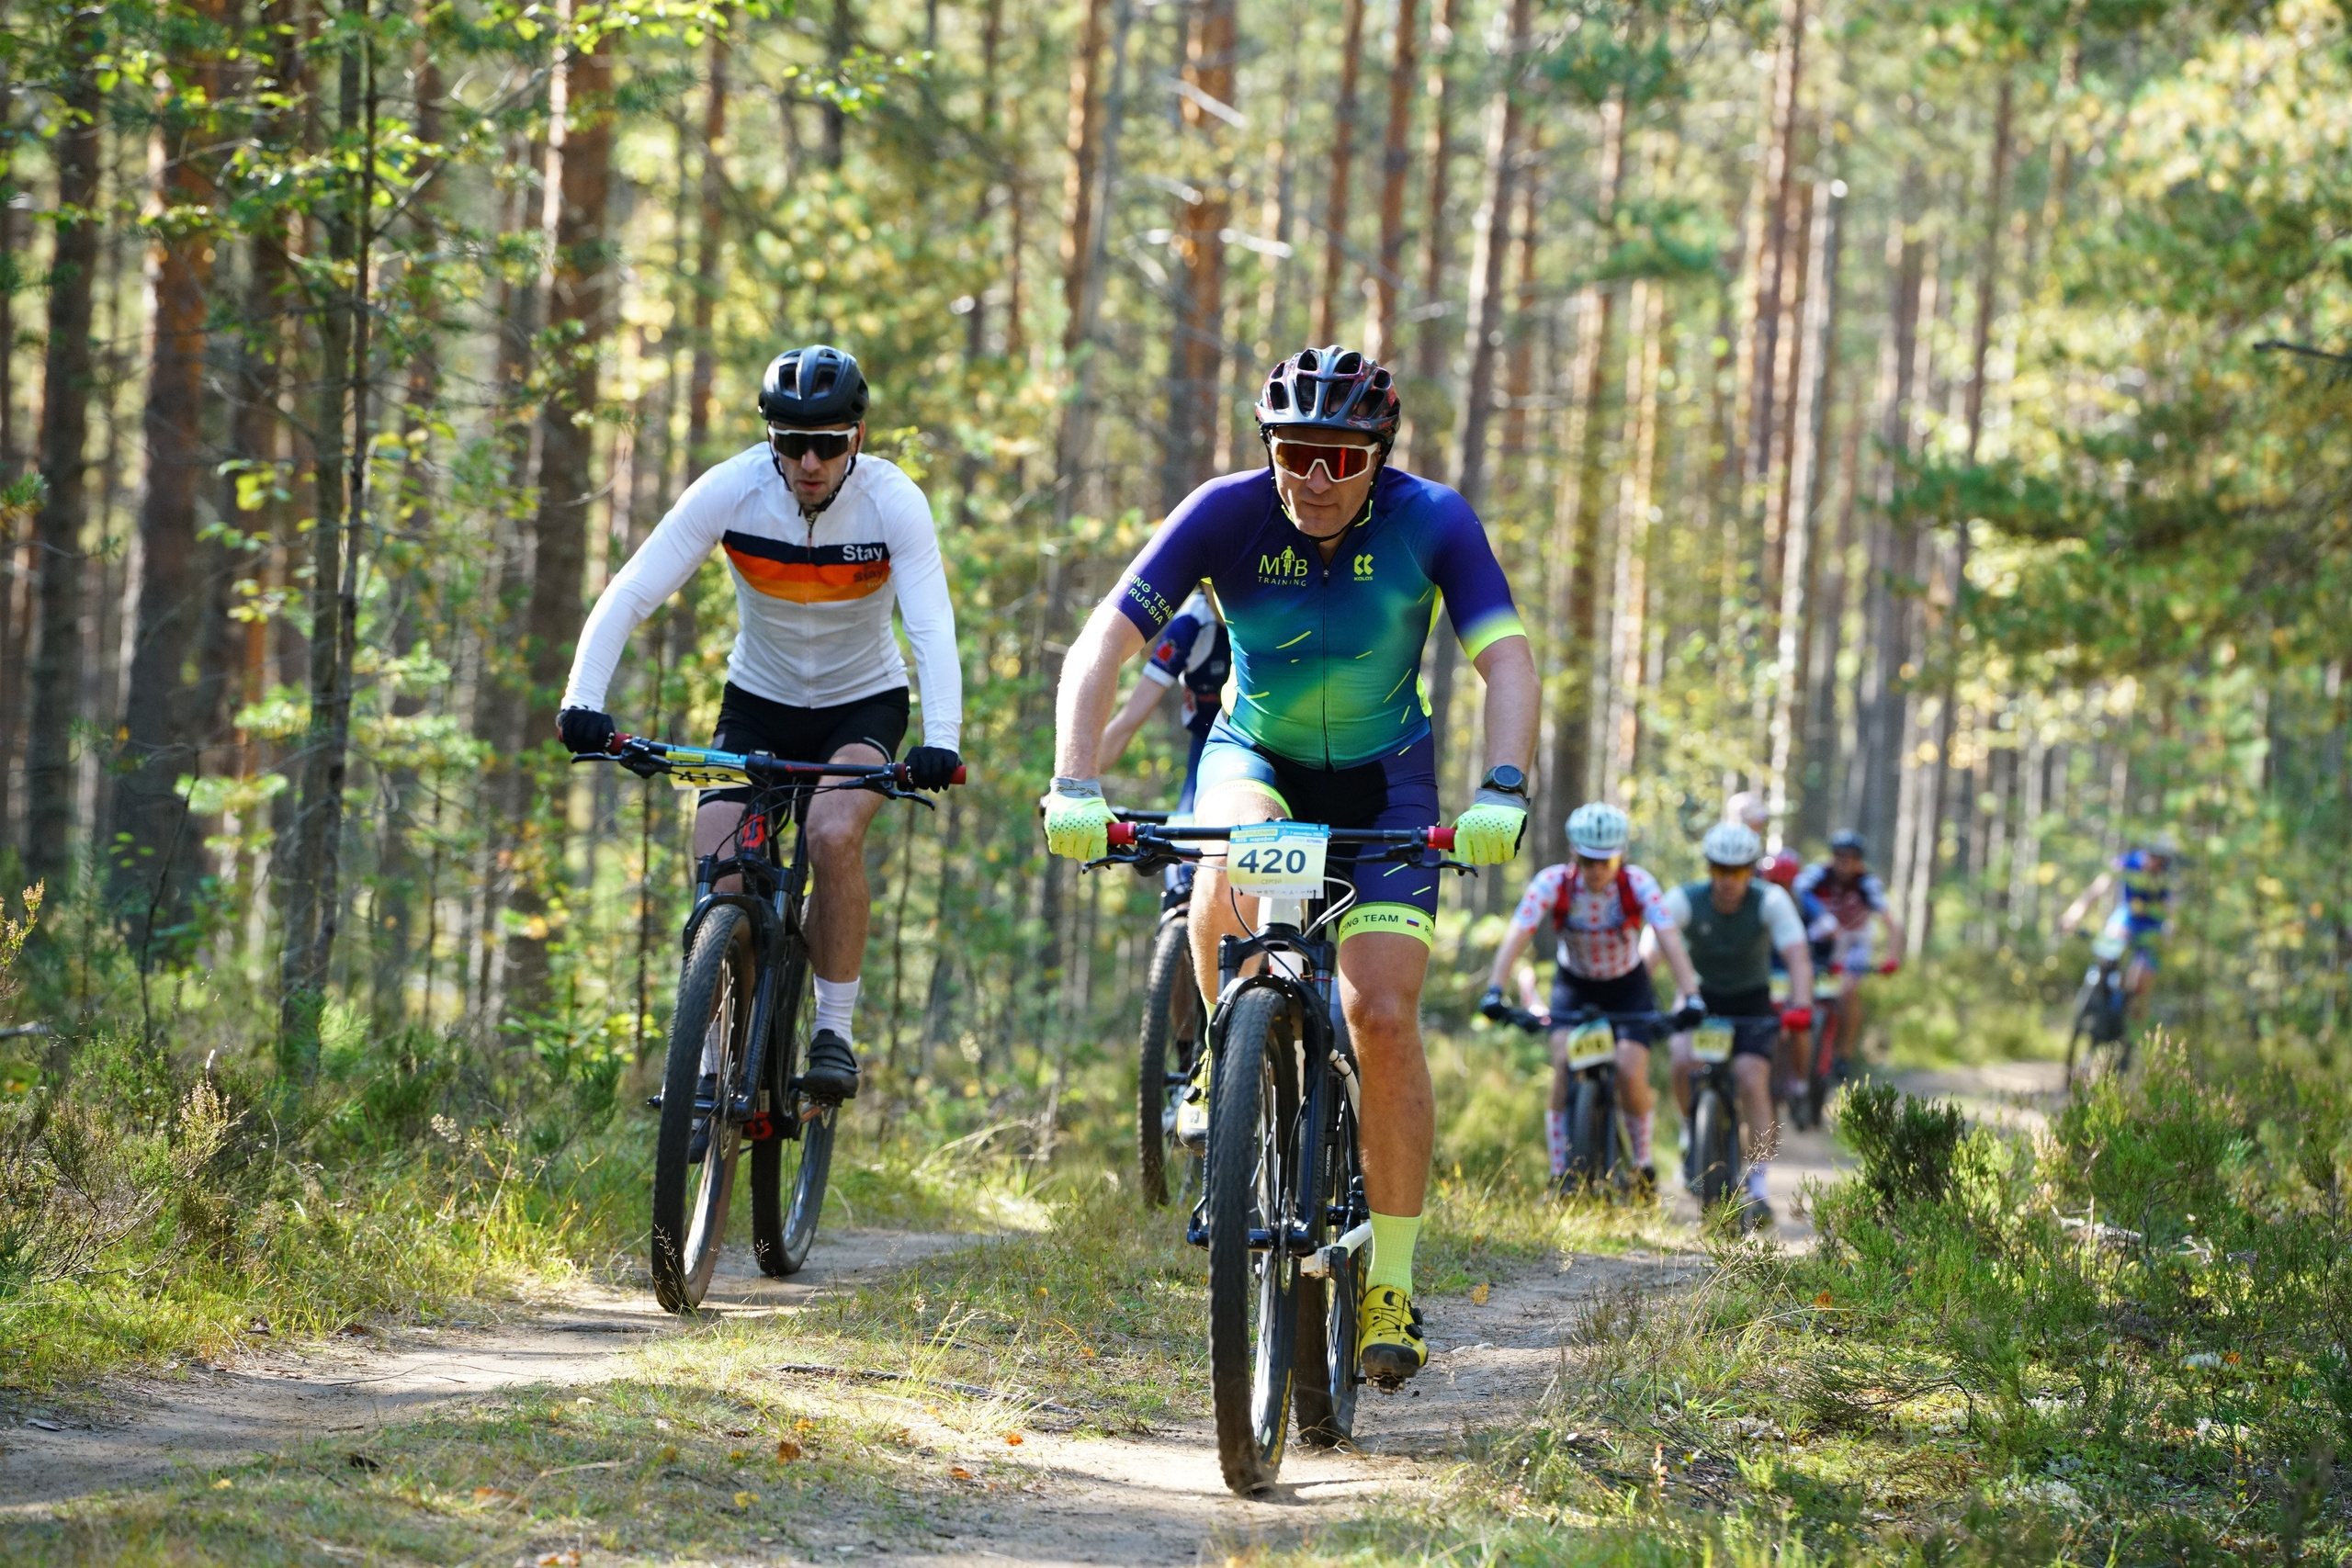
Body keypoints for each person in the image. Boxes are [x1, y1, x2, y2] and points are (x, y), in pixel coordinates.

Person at [1043, 344, 1540, 1390]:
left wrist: (1502, 787)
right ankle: (1235, 1079)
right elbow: (1104, 639)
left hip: (1383, 783)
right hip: (1254, 758)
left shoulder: (1433, 518)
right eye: (1293, 452)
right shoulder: (1223, 511)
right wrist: (1075, 781)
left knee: (1383, 1017)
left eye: (1340, 459)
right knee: (1221, 864)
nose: (1313, 478)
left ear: (1379, 457)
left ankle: (1393, 1279)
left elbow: (1505, 657)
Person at [555, 344, 963, 1110]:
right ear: (768, 438)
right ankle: (712, 1054)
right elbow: (632, 590)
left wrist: (942, 738)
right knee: (718, 867)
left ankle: (832, 1031)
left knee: (833, 834)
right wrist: (584, 700)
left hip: (862, 702)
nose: (810, 461)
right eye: (790, 442)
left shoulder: (893, 502)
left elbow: (932, 627)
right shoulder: (733, 490)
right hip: (758, 704)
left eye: (829, 443)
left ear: (859, 438)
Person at [1480, 801, 1702, 1195]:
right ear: (1573, 855)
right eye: (1587, 861)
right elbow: (1518, 933)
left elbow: (1669, 940)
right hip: (1575, 983)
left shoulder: (1638, 884)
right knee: (1564, 1062)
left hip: (1628, 985)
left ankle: (1642, 1165)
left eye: (1607, 862)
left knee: (1630, 1070)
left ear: (1622, 858)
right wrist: (1495, 989)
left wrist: (1691, 995)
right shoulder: (1553, 883)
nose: (1597, 870)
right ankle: (1559, 1173)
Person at [1661, 822, 1815, 1224]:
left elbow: (1798, 956)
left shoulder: (1771, 901)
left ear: (1752, 870)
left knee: (1751, 1078)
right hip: (1700, 999)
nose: (1728, 880)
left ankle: (1760, 1183)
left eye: (1739, 871)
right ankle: (1687, 1132)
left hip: (1751, 1003)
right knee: (1681, 1059)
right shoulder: (1684, 899)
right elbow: (1650, 951)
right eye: (1719, 870)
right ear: (1709, 868)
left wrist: (1801, 1003)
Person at [1792, 830, 1905, 1072]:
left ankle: (1844, 1054)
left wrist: (1892, 958)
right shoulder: (1817, 874)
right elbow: (1795, 891)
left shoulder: (1867, 884)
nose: (1845, 862)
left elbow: (1892, 924)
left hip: (1855, 942)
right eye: (1839, 855)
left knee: (1847, 991)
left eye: (1851, 857)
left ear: (1859, 860)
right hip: (1821, 939)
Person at [2059, 833, 2177, 1000]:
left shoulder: (2167, 877)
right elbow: (2098, 888)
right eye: (2153, 856)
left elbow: (2172, 909)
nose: (2156, 862)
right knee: (2108, 947)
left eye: (2161, 859)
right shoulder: (2127, 862)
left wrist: (2168, 932)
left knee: (2139, 982)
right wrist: (2074, 914)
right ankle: (2099, 989)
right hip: (2127, 917)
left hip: (2152, 925)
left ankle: (2131, 1014)